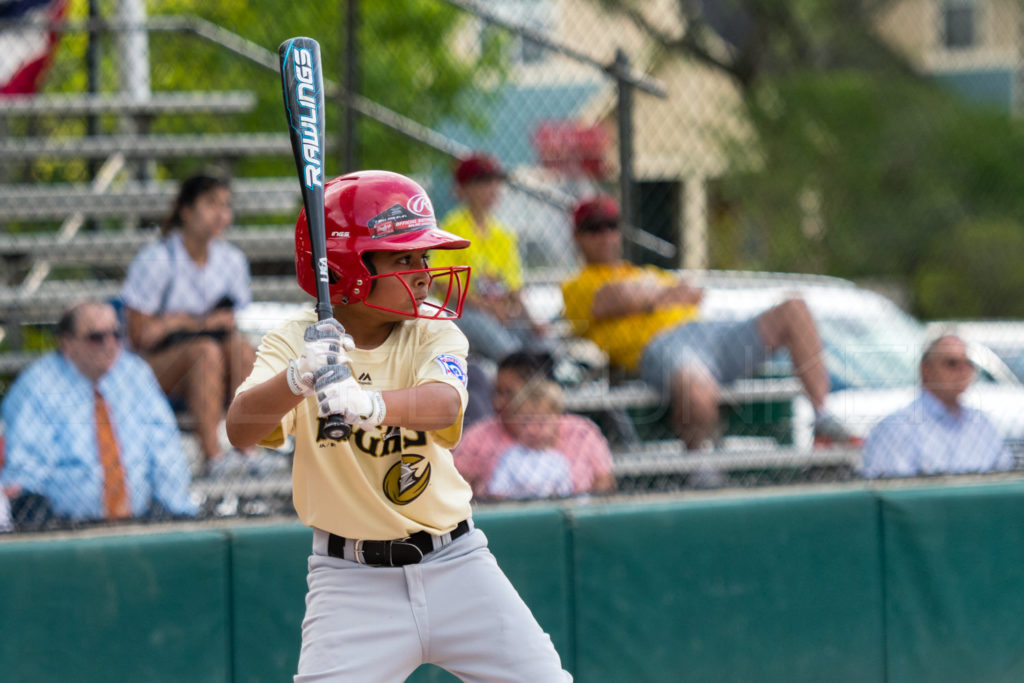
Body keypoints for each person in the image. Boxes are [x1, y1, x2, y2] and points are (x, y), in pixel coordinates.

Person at [225, 170, 570, 681]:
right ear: (348, 267)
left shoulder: (432, 331)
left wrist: (367, 404)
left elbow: (444, 405)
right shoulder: (295, 338)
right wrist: (295, 378)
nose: (424, 272)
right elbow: (239, 430)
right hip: (349, 582)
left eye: (424, 258)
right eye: (403, 259)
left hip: (455, 562)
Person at [562, 194, 848, 451]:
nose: (604, 235)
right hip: (658, 347)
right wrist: (663, 295)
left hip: (707, 333)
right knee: (697, 389)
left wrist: (647, 298)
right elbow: (612, 299)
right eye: (593, 228)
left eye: (611, 225)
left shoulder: (647, 272)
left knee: (794, 309)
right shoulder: (575, 285)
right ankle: (700, 469)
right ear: (577, 236)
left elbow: (693, 294)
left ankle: (823, 419)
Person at [0, 300, 196, 527]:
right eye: (96, 337)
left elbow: (166, 451)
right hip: (65, 526)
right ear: (67, 343)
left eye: (116, 334)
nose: (110, 344)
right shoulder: (37, 384)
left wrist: (178, 510)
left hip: (139, 519)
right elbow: (26, 467)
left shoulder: (135, 375)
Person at [120, 173, 256, 472]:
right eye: (210, 204)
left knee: (242, 349)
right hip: (153, 364)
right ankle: (214, 459)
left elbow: (230, 321)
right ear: (186, 210)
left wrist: (178, 322)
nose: (221, 214)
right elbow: (141, 336)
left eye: (225, 205)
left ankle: (248, 453)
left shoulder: (232, 260)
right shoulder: (157, 259)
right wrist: (198, 323)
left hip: (212, 357)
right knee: (205, 352)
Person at [430, 152, 545, 362]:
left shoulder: (503, 234)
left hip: (499, 312)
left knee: (540, 341)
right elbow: (442, 283)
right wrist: (487, 307)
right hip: (464, 312)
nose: (492, 187)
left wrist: (533, 320)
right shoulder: (452, 227)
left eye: (494, 181)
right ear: (463, 189)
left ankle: (540, 380)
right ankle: (515, 370)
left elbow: (514, 288)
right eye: (482, 181)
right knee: (499, 341)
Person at [455, 350, 616, 500]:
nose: (497, 402)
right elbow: (456, 490)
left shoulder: (582, 432)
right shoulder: (478, 435)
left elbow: (604, 484)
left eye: (508, 393)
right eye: (497, 392)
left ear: (535, 391)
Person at [862, 332, 1012, 478]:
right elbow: (889, 495)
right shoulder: (896, 428)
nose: (963, 370)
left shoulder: (981, 424)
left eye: (968, 363)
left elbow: (1005, 478)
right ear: (926, 369)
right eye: (951, 363)